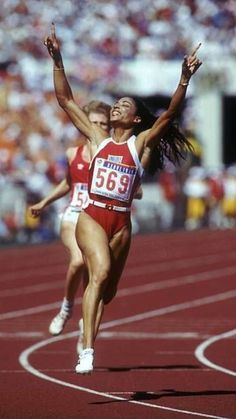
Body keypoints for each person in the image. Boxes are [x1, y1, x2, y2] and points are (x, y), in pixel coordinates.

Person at [44, 23, 202, 374]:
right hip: (92, 214)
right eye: (115, 104)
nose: (116, 107)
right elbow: (66, 100)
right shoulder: (96, 138)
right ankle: (87, 349)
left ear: (135, 119)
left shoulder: (139, 143)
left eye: (123, 105)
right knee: (97, 273)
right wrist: (57, 59)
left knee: (106, 292)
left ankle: (86, 328)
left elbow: (171, 114)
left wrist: (184, 80)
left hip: (121, 222)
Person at [29, 100, 111, 354]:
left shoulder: (111, 155)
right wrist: (44, 202)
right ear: (84, 123)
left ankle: (85, 330)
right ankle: (66, 307)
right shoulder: (72, 154)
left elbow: (131, 184)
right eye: (94, 122)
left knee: (94, 279)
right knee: (77, 261)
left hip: (97, 218)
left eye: (103, 124)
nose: (98, 127)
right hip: (74, 213)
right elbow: (68, 183)